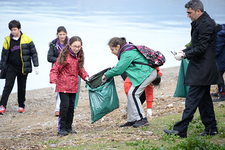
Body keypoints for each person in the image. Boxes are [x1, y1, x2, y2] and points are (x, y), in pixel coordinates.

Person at [164, 0, 221, 138]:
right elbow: (198, 44)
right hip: (201, 67)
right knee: (204, 100)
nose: (188, 15)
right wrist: (185, 49)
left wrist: (184, 54)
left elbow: (202, 47)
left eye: (189, 13)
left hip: (203, 68)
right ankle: (211, 128)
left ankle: (181, 129)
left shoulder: (206, 24)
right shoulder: (201, 22)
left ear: (198, 11)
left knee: (192, 99)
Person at [102, 37, 157, 128]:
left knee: (133, 94)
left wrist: (106, 75)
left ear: (118, 46)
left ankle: (142, 119)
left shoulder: (127, 53)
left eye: (112, 49)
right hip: (142, 74)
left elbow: (119, 69)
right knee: (132, 95)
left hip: (147, 73)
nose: (111, 52)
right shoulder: (127, 51)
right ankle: (132, 119)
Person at [50, 36, 89, 136]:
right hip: (63, 86)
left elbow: (81, 69)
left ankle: (68, 127)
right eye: (74, 46)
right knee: (64, 107)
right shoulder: (64, 56)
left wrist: (87, 78)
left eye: (79, 46)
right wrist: (53, 82)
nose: (76, 48)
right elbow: (55, 69)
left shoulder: (79, 56)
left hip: (74, 86)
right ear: (70, 45)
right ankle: (61, 129)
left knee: (71, 108)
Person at [0, 20, 39, 115]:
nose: (13, 32)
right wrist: (1, 67)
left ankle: (21, 105)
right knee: (8, 86)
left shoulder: (27, 39)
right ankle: (2, 105)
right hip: (11, 67)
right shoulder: (7, 41)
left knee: (21, 87)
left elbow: (34, 53)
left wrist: (36, 66)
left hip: (23, 68)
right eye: (11, 30)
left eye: (15, 29)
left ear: (19, 29)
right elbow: (4, 55)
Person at [47, 26, 69, 117]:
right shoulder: (53, 44)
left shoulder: (70, 43)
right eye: (60, 34)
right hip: (57, 69)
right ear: (57, 34)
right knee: (59, 88)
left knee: (66, 89)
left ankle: (64, 107)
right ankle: (57, 108)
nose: (62, 36)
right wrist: (60, 60)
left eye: (64, 34)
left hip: (68, 69)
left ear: (66, 34)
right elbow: (49, 58)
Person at [212, 23, 225, 102]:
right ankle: (220, 92)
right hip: (222, 58)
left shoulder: (219, 36)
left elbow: (217, 50)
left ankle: (222, 94)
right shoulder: (221, 31)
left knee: (219, 77)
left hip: (222, 60)